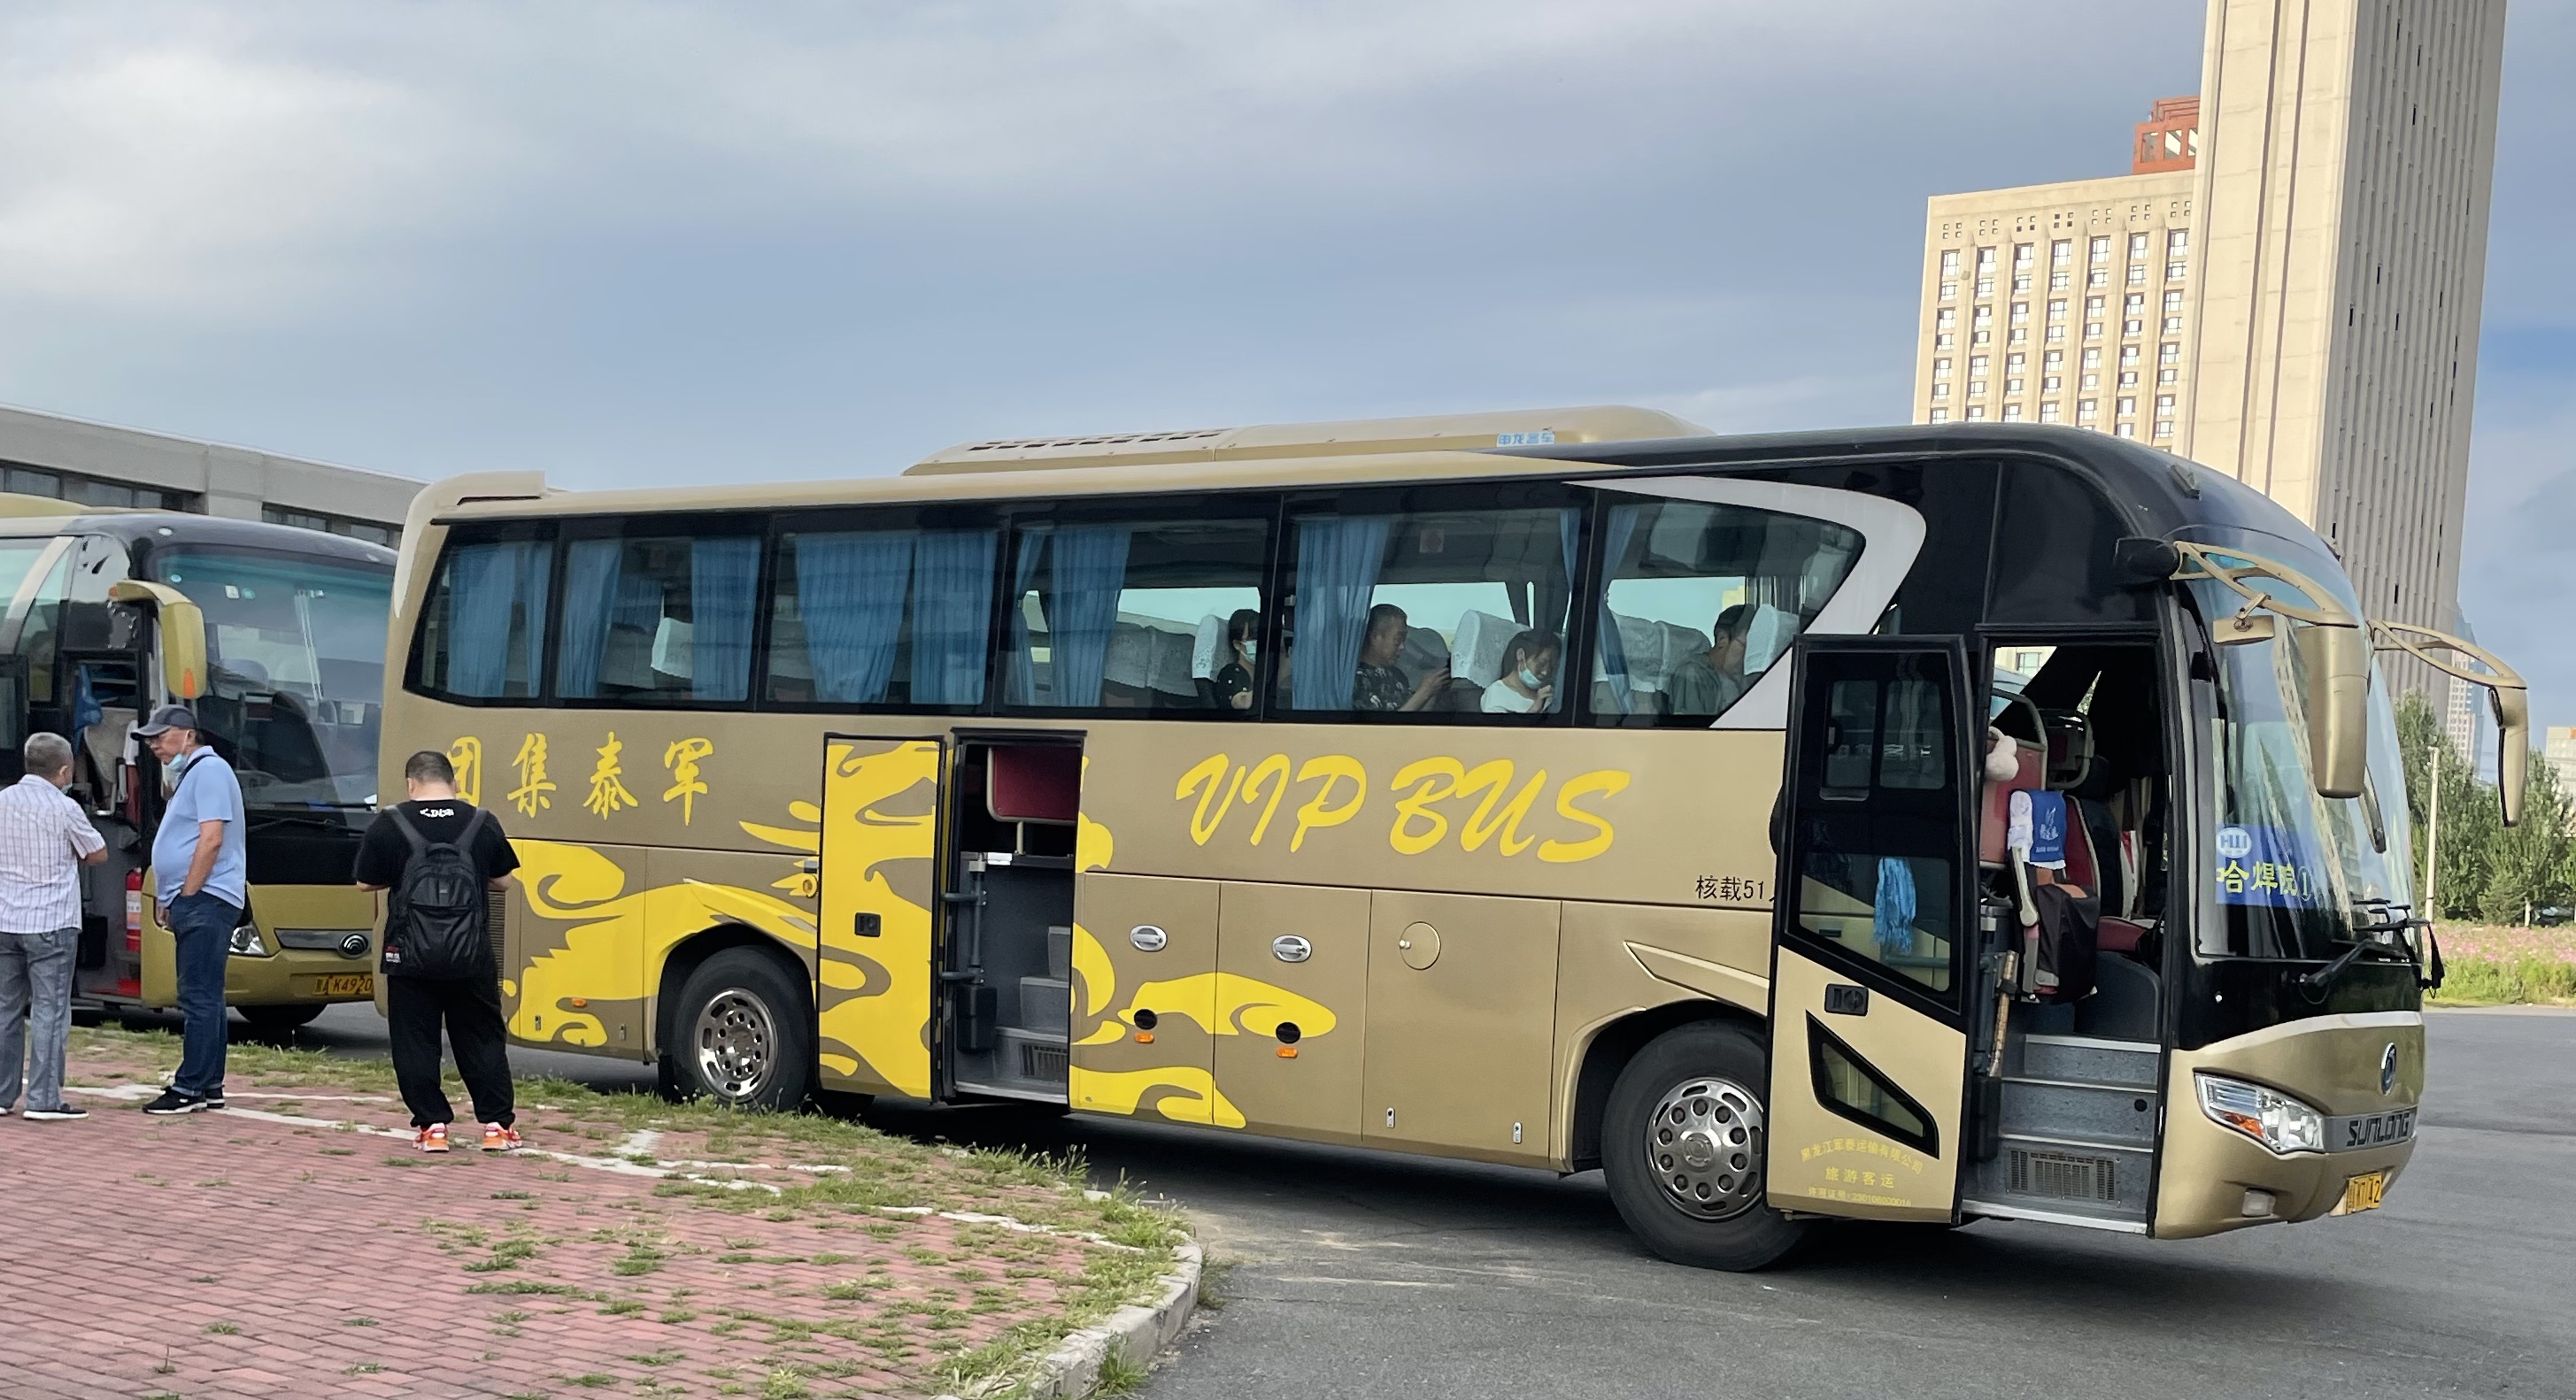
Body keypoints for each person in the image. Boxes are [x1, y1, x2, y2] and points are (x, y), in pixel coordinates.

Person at [355, 749, 524, 1153]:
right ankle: (497, 1127)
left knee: (415, 1039)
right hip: (471, 953)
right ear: (454, 782)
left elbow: (364, 882)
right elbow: (503, 881)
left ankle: (432, 1127)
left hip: (409, 954)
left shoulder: (390, 822)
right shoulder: (481, 821)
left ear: (411, 784)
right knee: (481, 1036)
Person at [136, 705, 246, 1116]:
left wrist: (186, 892)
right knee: (207, 995)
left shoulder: (209, 771)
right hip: (201, 897)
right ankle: (209, 1084)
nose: (153, 745)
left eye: (160, 736)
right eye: (149, 738)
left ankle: (190, 1087)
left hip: (205, 898)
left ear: (187, 735)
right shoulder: (196, 773)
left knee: (197, 996)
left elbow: (211, 838)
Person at [0, 733, 108, 1121]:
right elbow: (97, 853)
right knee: (50, 1010)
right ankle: (43, 1099)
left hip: (5, 920)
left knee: (5, 1009)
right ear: (64, 770)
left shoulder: (2, 801)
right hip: (51, 922)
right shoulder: (64, 808)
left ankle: (2, 1094)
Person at [1352, 604, 1448, 712]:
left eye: (1403, 640)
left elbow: (1416, 715)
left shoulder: (1397, 675)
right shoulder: (1357, 680)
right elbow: (1385, 723)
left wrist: (1433, 691)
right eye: (1397, 640)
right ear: (1375, 637)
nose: (1402, 647)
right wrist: (1424, 691)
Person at [1665, 604, 1756, 718]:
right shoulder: (1693, 674)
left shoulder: (1740, 679)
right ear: (1722, 639)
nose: (1750, 654)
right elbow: (1693, 726)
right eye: (1747, 645)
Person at [1481, 631, 1561, 714]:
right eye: (1541, 663)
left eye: (1552, 667)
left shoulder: (1549, 692)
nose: (1545, 672)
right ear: (1520, 654)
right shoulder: (1496, 694)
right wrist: (1534, 709)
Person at [1211, 608, 1261, 712]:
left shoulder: (1265, 674)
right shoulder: (1231, 672)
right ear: (1237, 644)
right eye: (1253, 638)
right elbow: (1242, 702)